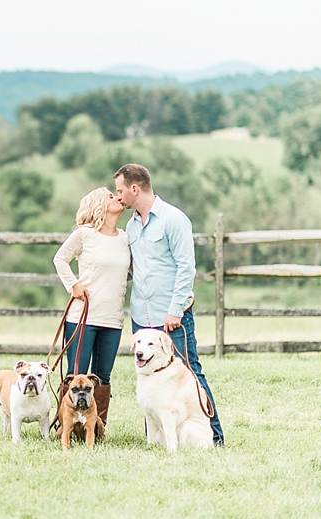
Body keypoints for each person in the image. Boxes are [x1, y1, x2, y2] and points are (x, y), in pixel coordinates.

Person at [113, 163, 225, 446]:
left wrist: (175, 310)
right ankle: (158, 438)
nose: (118, 196)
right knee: (146, 376)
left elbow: (186, 267)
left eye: (120, 190)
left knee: (191, 371)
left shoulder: (174, 219)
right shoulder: (132, 225)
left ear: (134, 189)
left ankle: (214, 436)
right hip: (142, 315)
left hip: (171, 314)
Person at [52, 187, 130, 427]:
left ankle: (97, 427)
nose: (117, 197)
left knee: (103, 377)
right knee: (76, 375)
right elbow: (60, 259)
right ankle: (66, 424)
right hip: (83, 317)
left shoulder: (125, 238)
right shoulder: (84, 234)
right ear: (99, 205)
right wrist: (73, 284)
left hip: (112, 318)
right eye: (110, 196)